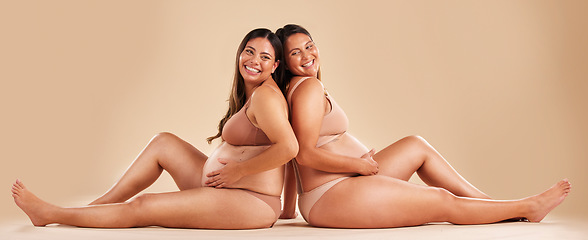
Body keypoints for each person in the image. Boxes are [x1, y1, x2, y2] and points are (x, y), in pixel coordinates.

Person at [276, 24, 571, 228]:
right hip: (331, 194)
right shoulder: (307, 90)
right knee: (439, 200)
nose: (307, 55)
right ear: (286, 62)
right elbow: (303, 154)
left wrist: (289, 209)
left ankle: (488, 205)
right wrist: (357, 165)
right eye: (295, 53)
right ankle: (527, 209)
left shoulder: (302, 88)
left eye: (309, 46)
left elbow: (291, 155)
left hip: (341, 183)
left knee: (416, 145)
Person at [11, 28, 298, 229]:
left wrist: (238, 171)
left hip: (249, 201)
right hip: (223, 186)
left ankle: (50, 214)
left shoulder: (265, 98)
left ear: (274, 65)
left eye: (264, 57)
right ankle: (96, 208)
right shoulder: (255, 93)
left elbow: (289, 148)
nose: (253, 61)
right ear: (239, 54)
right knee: (163, 142)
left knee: (144, 206)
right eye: (249, 52)